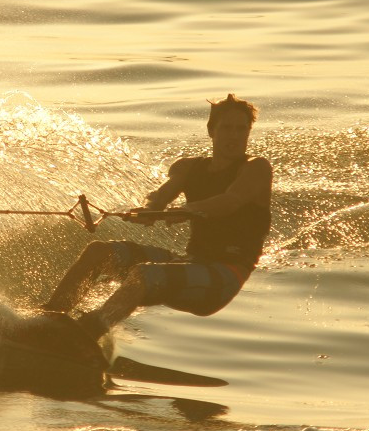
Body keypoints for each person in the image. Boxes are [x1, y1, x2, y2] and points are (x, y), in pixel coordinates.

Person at [43, 94, 272, 340]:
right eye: (227, 128)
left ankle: (86, 335)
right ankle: (48, 320)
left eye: (242, 129)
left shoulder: (256, 168)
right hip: (191, 261)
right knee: (98, 252)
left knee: (144, 273)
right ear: (211, 131)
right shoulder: (189, 168)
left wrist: (187, 210)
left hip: (225, 274)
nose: (235, 136)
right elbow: (158, 197)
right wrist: (148, 210)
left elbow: (230, 201)